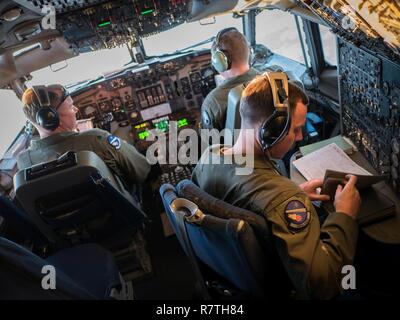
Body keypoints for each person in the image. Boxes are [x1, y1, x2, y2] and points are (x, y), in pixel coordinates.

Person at [192, 73, 361, 299]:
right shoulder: (283, 198)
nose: (300, 137)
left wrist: (290, 198)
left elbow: (243, 199)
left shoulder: (208, 158)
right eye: (295, 129)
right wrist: (344, 216)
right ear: (271, 130)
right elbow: (321, 285)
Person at [17, 84, 150, 192]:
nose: (75, 109)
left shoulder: (24, 162)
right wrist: (124, 146)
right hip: (123, 213)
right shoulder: (96, 139)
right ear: (51, 118)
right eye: (70, 106)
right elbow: (142, 170)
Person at [201, 28, 259, 131]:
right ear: (249, 53)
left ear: (220, 63)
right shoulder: (272, 78)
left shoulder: (213, 102)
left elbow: (210, 145)